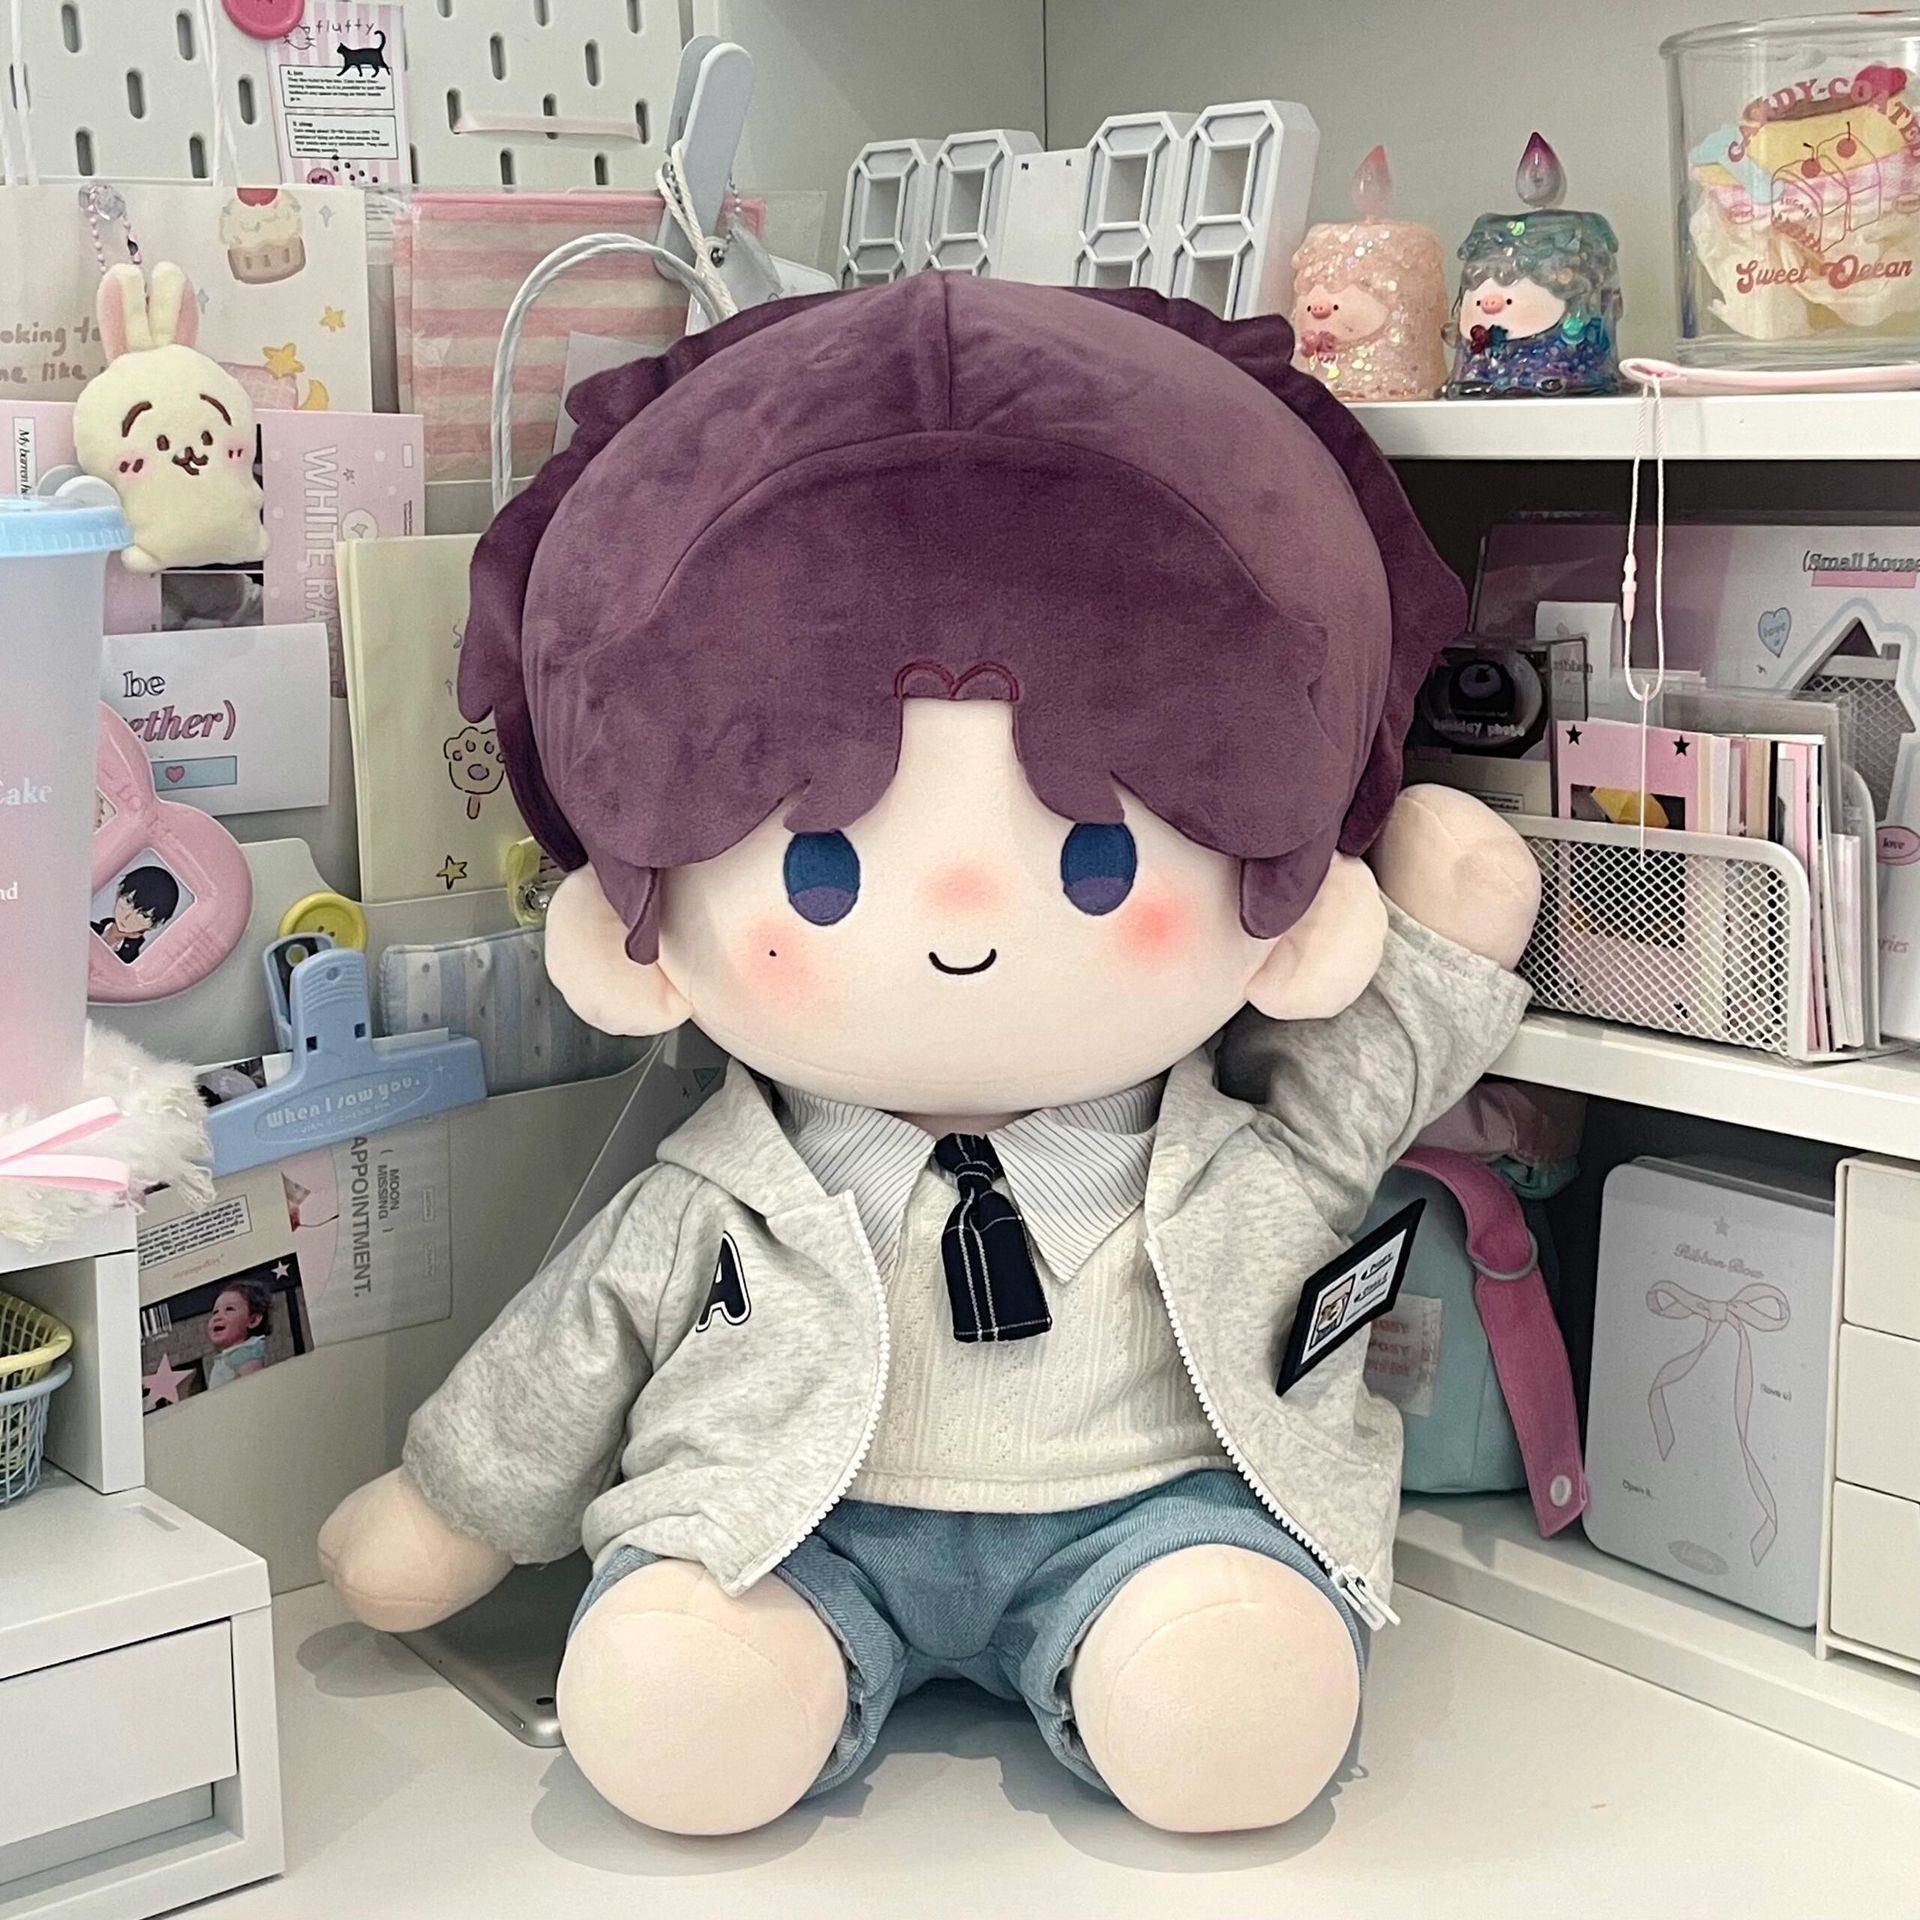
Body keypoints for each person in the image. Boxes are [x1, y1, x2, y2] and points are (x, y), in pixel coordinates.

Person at [318, 276, 1540, 1839]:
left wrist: (1435, 936)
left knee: (1223, 1700)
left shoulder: (1230, 1163)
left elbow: (1356, 1094)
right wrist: (451, 1512)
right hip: (784, 1532)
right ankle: (733, 1678)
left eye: (1099, 863)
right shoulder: (722, 1205)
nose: (963, 924)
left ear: (1295, 918)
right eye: (821, 874)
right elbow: (563, 1363)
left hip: (1157, 1515)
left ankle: (1186, 1654)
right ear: (639, 935)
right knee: (687, 1693)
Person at [92, 864, 180, 963]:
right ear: (119, 892)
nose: (128, 916)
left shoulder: (133, 960)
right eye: (128, 901)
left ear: (156, 924)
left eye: (144, 915)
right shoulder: (89, 926)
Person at [202, 1280, 271, 1388]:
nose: (217, 1317)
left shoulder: (245, 1354)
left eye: (229, 1309)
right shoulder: (233, 1354)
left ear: (253, 1320)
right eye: (215, 1312)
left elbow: (255, 1387)